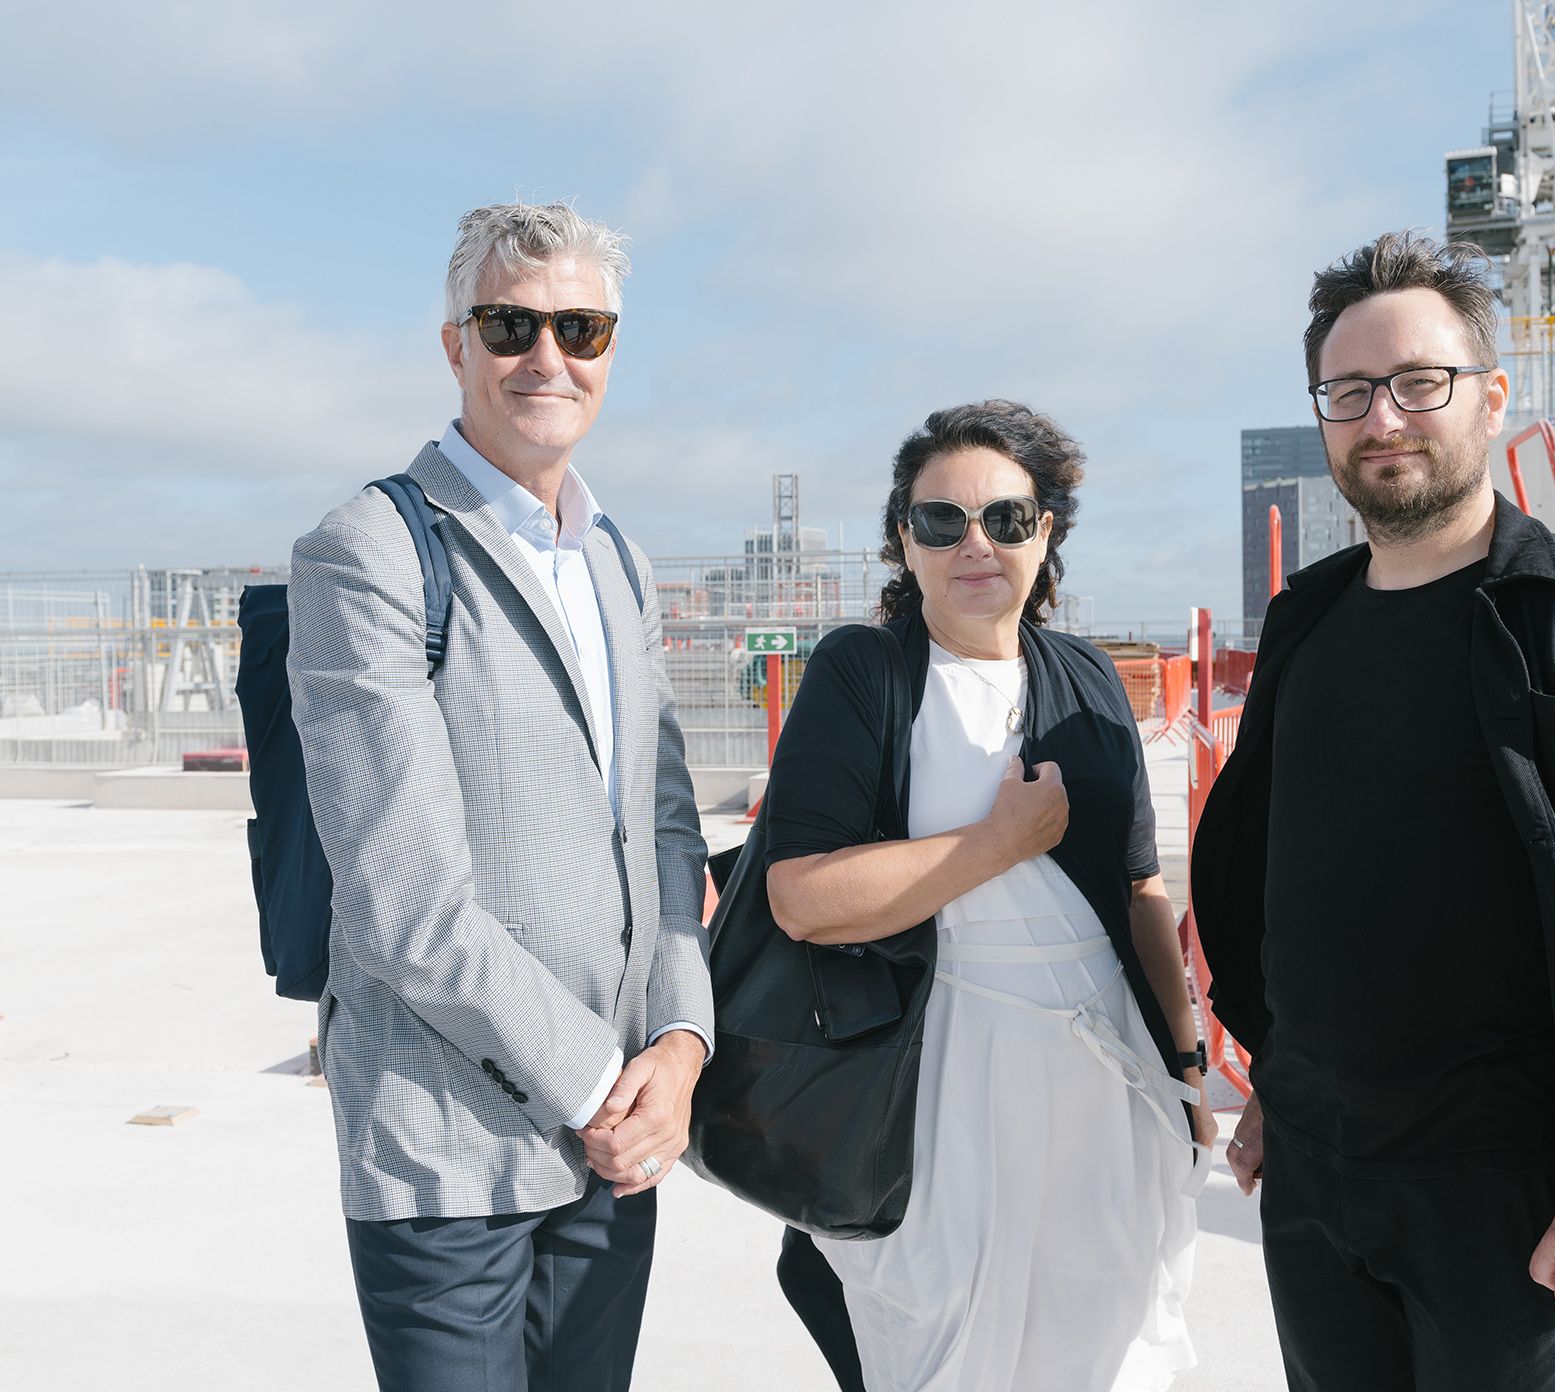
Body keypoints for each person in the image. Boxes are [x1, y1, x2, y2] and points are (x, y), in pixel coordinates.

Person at [1192, 231, 1555, 1392]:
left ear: (1491, 399)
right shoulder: (1305, 622)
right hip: (1315, 1176)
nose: (1382, 419)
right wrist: (1278, 1078)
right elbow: (1288, 874)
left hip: (1510, 1191)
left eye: (1419, 383)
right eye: (1348, 392)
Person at [288, 201, 712, 1391]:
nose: (547, 356)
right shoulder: (366, 549)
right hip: (449, 1151)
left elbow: (664, 825)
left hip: (614, 1146)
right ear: (454, 344)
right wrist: (597, 1086)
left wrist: (676, 1050)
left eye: (581, 328)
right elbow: (404, 906)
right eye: (509, 323)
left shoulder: (615, 557)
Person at [760, 400, 1215, 1391]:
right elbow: (799, 898)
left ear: (1044, 533)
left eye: (1006, 519)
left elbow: (1139, 890)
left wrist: (1183, 1067)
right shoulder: (865, 674)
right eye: (941, 521)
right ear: (901, 539)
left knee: (1105, 1346)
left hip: (1102, 1089)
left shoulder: (1088, 676)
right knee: (941, 1346)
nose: (976, 543)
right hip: (937, 1086)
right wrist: (996, 843)